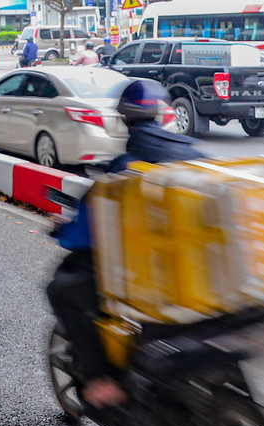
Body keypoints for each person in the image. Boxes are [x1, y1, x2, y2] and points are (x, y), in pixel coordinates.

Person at [46, 80, 204, 409]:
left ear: (125, 120)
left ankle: (101, 380)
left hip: (149, 281)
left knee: (62, 289)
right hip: (199, 275)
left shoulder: (126, 169)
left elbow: (87, 233)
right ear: (161, 116)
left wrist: (64, 229)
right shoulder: (195, 155)